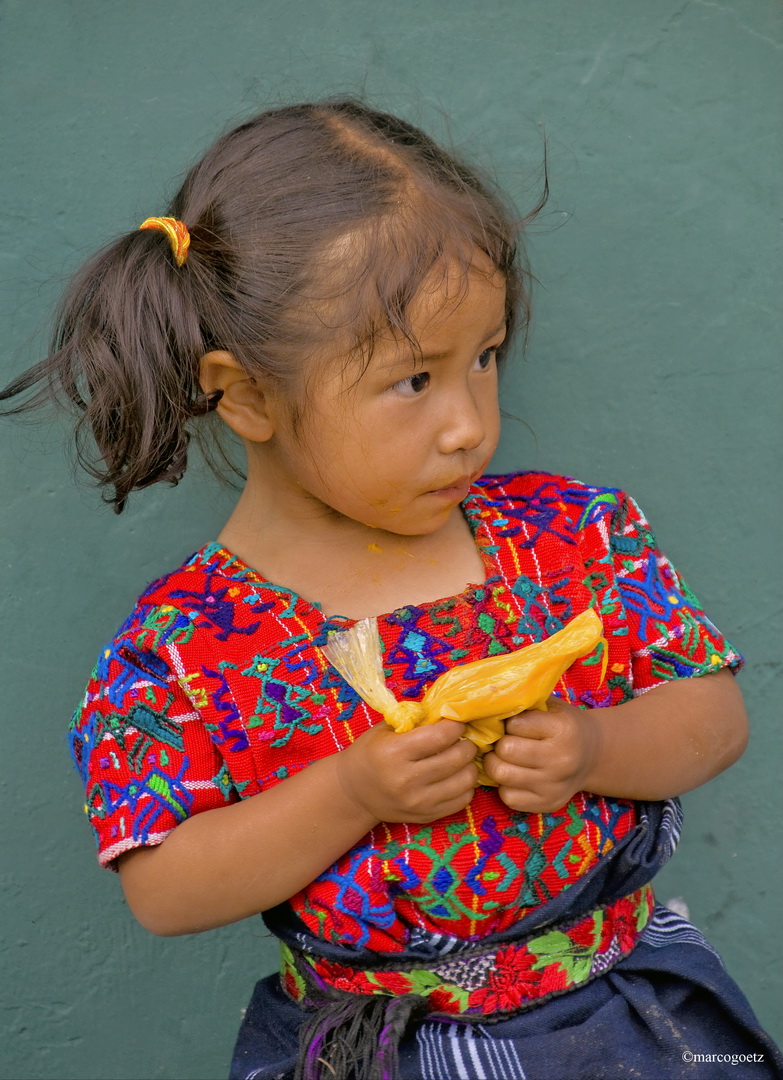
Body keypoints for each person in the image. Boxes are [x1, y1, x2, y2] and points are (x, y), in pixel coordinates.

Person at [2, 101, 780, 1080]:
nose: (467, 424)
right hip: (381, 1053)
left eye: (486, 359)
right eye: (415, 381)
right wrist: (351, 790)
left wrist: (596, 746)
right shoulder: (186, 645)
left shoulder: (568, 537)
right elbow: (164, 886)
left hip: (629, 1022)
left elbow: (712, 712)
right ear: (243, 393)